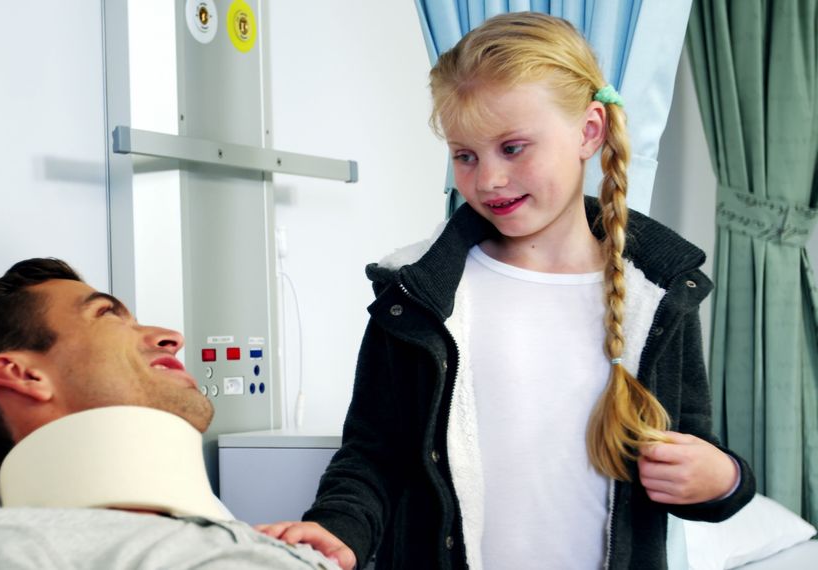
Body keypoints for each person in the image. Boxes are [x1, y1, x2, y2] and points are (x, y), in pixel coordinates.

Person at [256, 12, 755, 570]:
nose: (487, 179)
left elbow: (692, 448)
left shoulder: (656, 295)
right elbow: (372, 456)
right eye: (464, 155)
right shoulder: (417, 295)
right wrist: (337, 529)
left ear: (589, 132)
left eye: (513, 148)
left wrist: (723, 480)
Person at [0, 258, 339, 570]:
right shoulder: (5, 545)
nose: (172, 337)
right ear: (22, 374)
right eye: (107, 315)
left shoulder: (248, 538)